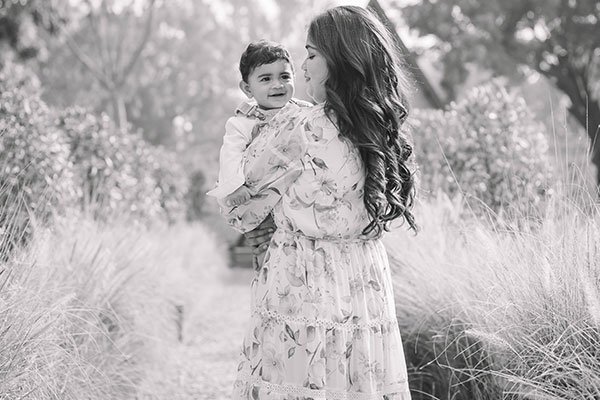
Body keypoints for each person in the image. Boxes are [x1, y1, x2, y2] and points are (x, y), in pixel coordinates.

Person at [223, 5, 416, 399]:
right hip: (364, 283)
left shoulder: (297, 127)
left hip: (301, 279)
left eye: (310, 54)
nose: (303, 66)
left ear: (340, 59)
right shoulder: (377, 126)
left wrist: (263, 224)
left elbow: (239, 208)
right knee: (359, 382)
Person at [207, 40, 310, 207]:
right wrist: (235, 187)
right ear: (248, 89)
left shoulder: (304, 111)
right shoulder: (243, 122)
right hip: (261, 194)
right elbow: (230, 155)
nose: (277, 85)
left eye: (284, 77)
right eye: (266, 79)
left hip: (299, 191)